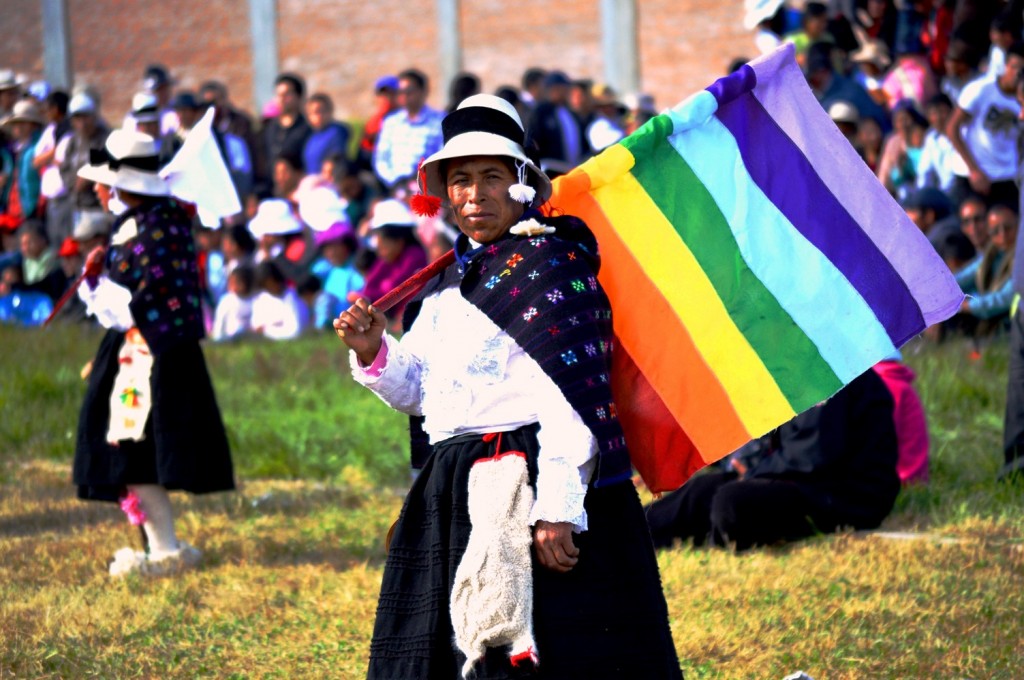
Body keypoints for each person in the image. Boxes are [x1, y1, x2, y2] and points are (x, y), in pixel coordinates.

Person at [335, 93, 680, 679]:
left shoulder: (552, 265)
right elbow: (421, 393)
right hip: (452, 492)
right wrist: (374, 350)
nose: (474, 195)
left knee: (559, 658)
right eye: (461, 180)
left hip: (533, 483)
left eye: (491, 176)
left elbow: (573, 397)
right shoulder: (442, 283)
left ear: (522, 182)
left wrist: (559, 509)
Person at [72, 130, 234, 576]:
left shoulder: (158, 226)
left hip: (154, 355)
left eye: (104, 183)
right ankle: (156, 543)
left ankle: (165, 550)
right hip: (134, 350)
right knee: (128, 450)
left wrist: (95, 285)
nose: (99, 190)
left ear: (123, 184)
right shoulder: (141, 222)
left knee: (135, 449)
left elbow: (138, 301)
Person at [645, 369, 901, 551]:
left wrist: (756, 471)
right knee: (701, 490)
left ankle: (712, 535)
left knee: (730, 501)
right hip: (805, 479)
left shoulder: (836, 378)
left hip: (845, 496)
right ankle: (635, 532)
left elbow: (812, 456)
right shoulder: (801, 375)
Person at [947, 41, 1024, 209]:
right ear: (1005, 65)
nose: (1017, 73)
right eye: (1014, 67)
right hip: (971, 176)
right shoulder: (981, 89)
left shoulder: (1021, 99)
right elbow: (952, 128)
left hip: (1005, 177)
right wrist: (974, 170)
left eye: (1022, 69)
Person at [358, 198, 427, 326]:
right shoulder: (389, 257)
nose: (380, 252)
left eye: (383, 246)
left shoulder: (414, 255)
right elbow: (370, 286)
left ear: (399, 240)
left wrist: (372, 294)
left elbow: (393, 289)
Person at [373, 68, 444, 189]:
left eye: (409, 91)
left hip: (427, 188)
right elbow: (382, 159)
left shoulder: (439, 121)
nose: (404, 96)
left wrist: (419, 183)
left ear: (424, 91)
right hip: (395, 187)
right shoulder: (392, 122)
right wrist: (395, 183)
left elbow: (442, 157)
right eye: (400, 92)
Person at [303, 92, 351, 176]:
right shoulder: (311, 136)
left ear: (330, 111)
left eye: (320, 111)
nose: (317, 116)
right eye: (312, 113)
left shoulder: (337, 132)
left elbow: (337, 160)